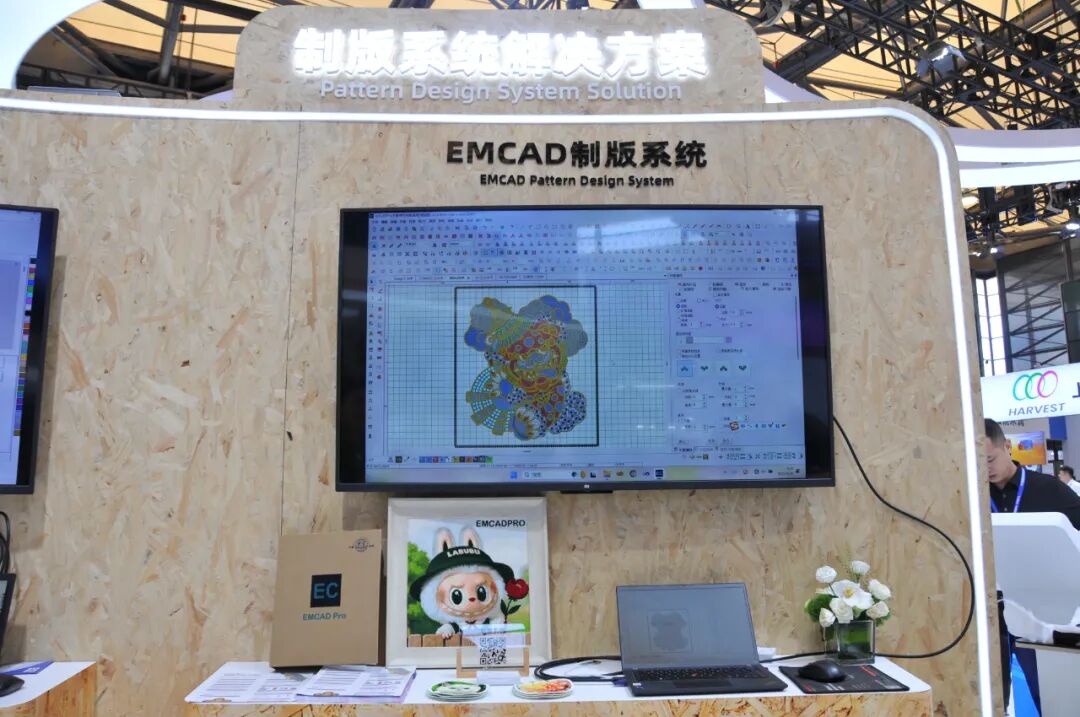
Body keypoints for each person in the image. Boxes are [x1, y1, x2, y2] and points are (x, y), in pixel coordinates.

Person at [985, 419, 1080, 714]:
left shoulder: (1051, 491)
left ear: (1007, 447)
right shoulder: (972, 497)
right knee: (991, 696)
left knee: (1050, 693)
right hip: (991, 612)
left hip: (1041, 614)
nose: (985, 468)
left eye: (990, 459)